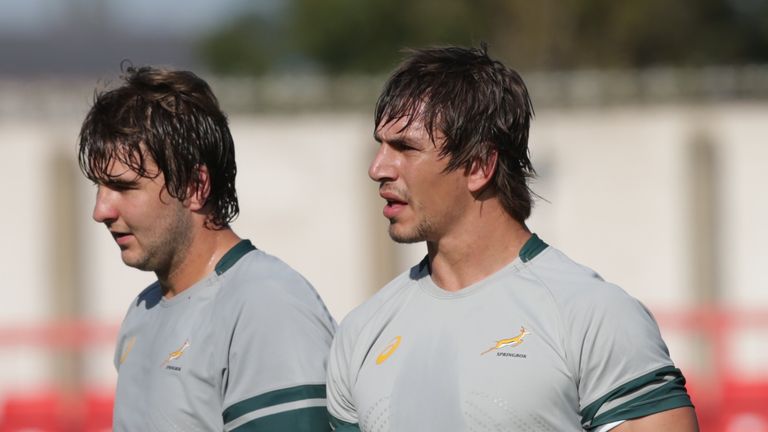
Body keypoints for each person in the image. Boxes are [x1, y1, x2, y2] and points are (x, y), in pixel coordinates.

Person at [326, 45, 699, 431]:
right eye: (380, 145)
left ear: (479, 166)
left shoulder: (593, 315)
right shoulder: (360, 335)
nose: (378, 168)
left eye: (405, 147)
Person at [78, 65, 336, 431]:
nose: (100, 211)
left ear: (196, 185)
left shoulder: (265, 304)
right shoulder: (141, 313)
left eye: (124, 187)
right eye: (99, 187)